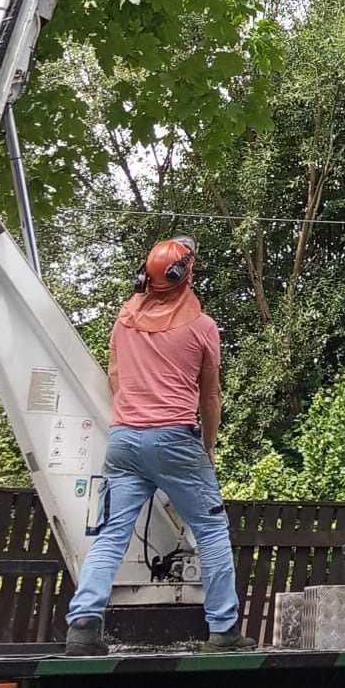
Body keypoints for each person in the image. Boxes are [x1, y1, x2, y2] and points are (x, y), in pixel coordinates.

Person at [64, 236, 248, 655]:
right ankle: (223, 632)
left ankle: (83, 627)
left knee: (111, 535)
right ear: (186, 275)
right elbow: (211, 396)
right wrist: (208, 446)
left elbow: (114, 377)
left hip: (125, 440)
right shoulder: (202, 327)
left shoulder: (124, 319)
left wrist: (135, 412)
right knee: (212, 528)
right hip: (175, 438)